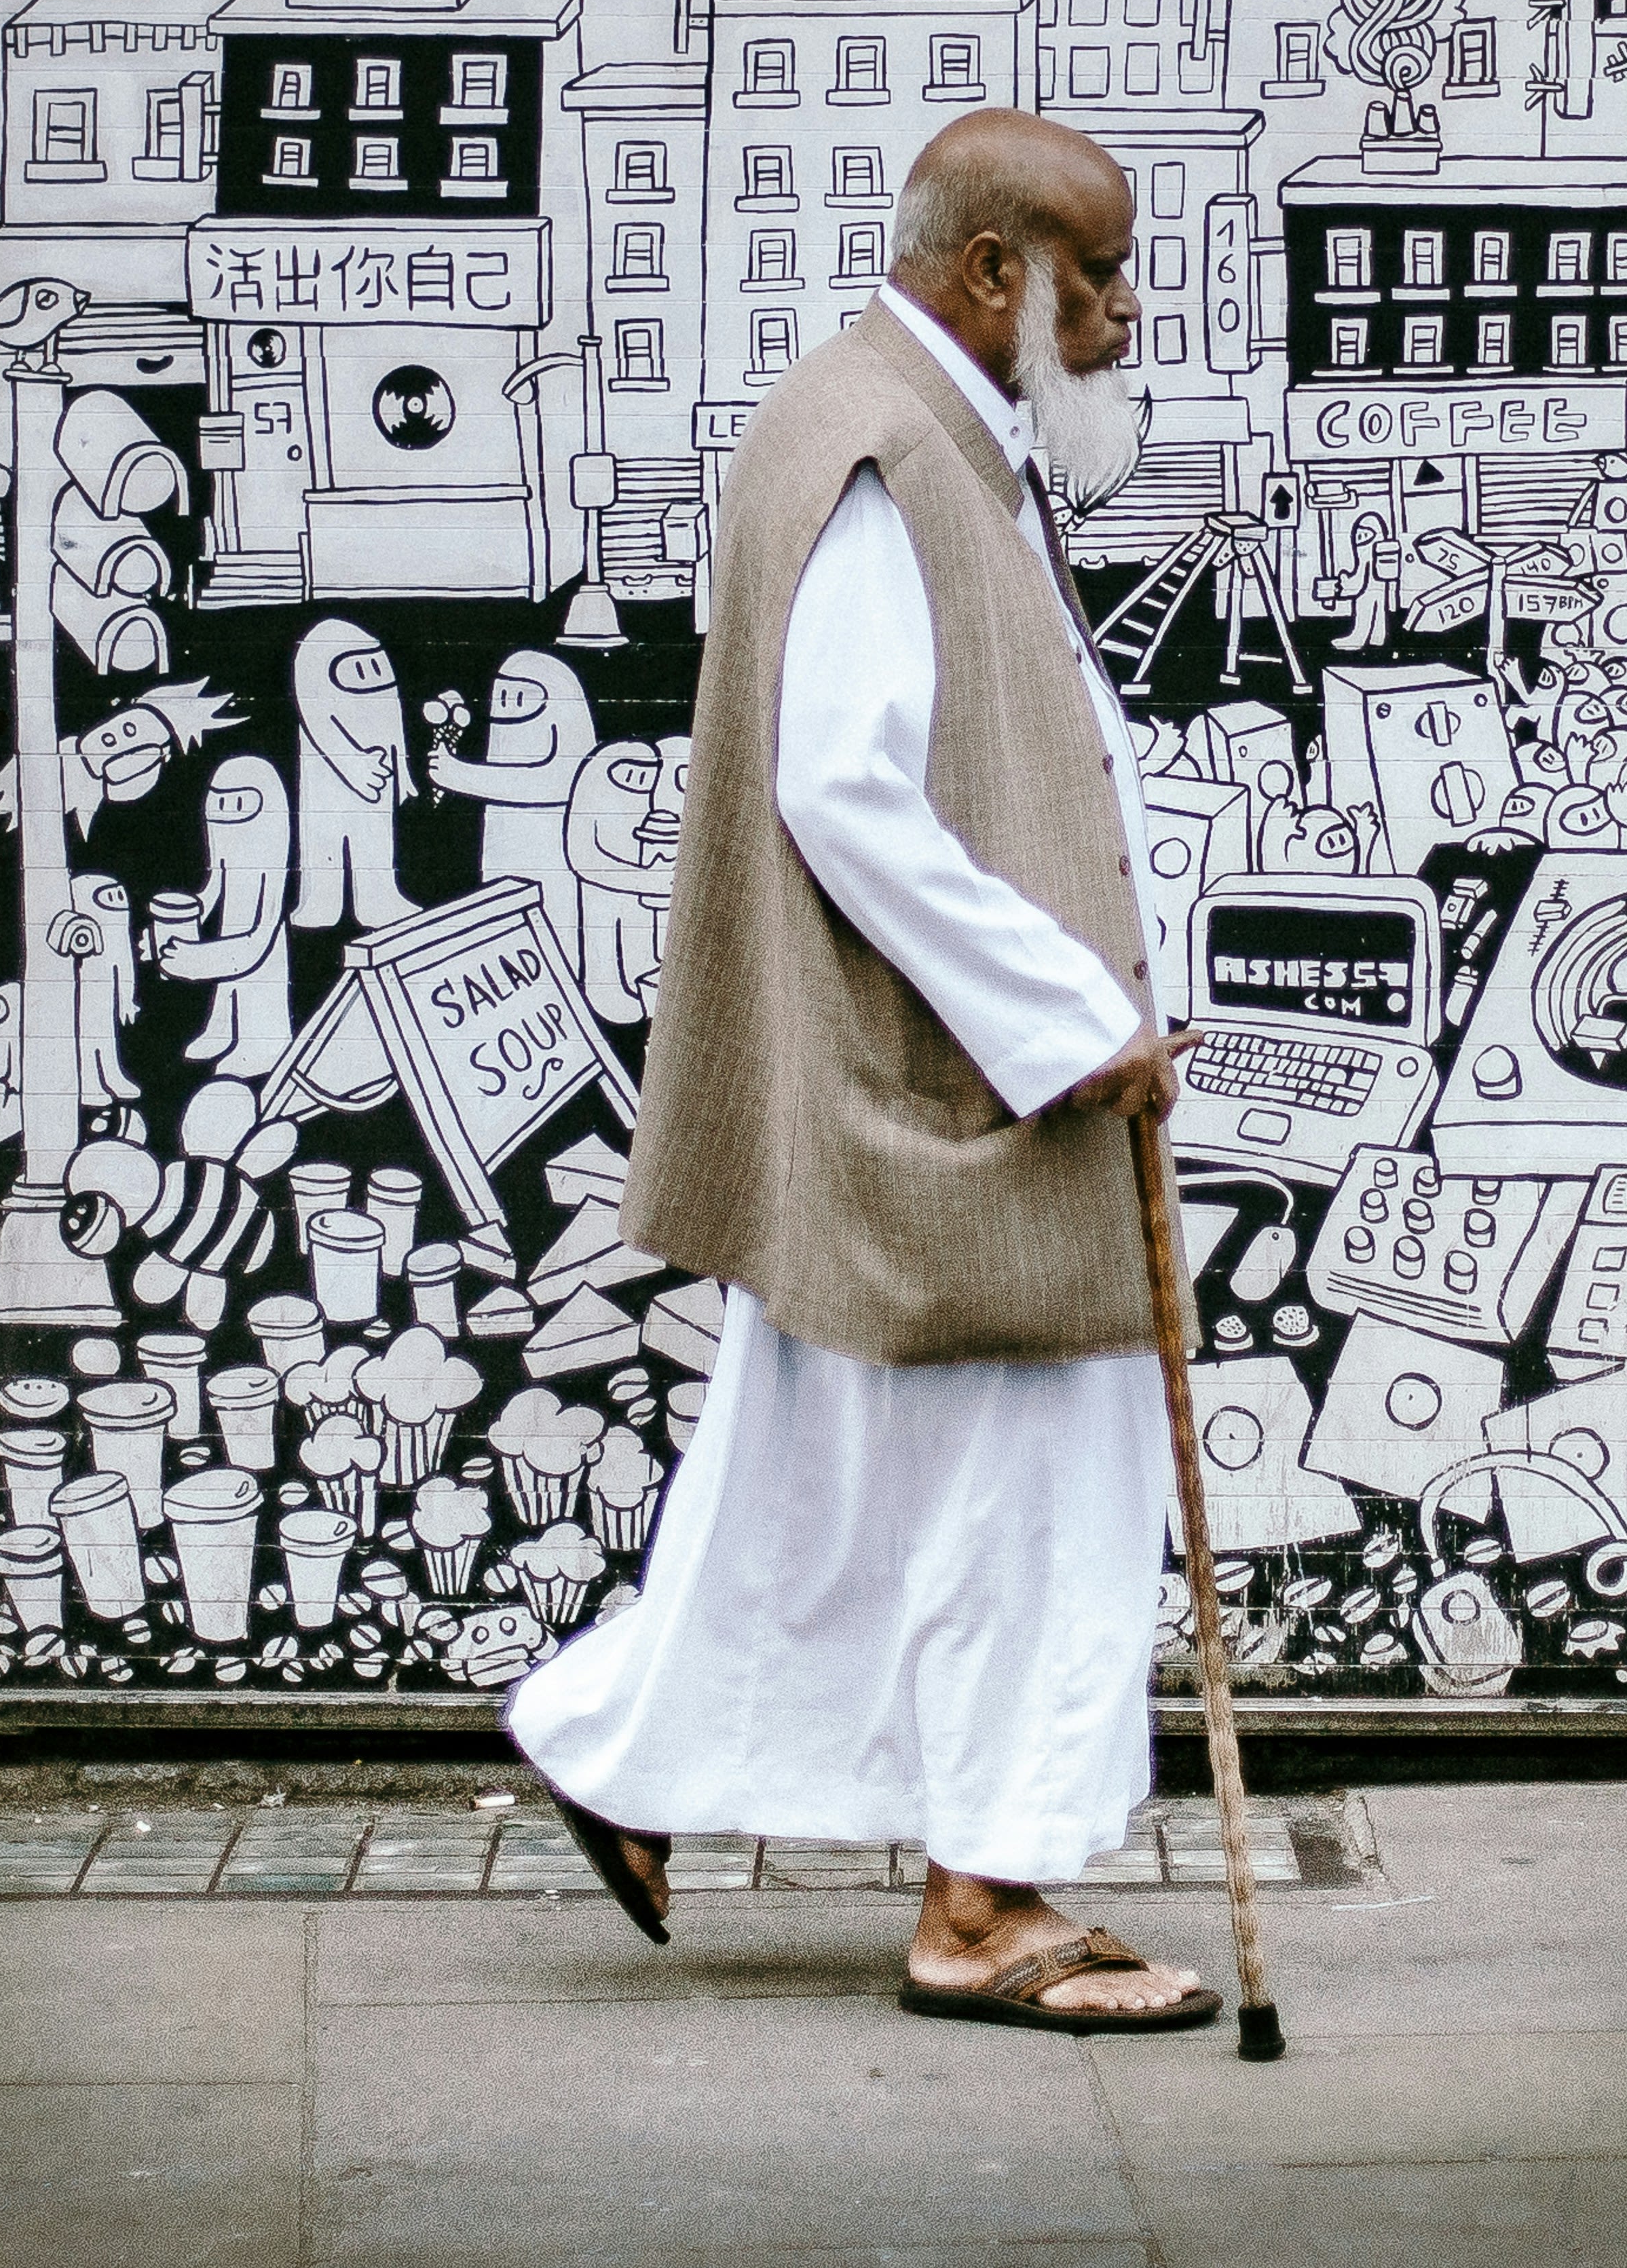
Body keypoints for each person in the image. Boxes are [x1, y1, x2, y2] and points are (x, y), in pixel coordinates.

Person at [509, 110, 1218, 2033]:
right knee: (1037, 1490)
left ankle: (620, 1748)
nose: (1126, 314)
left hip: (916, 1094)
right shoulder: (890, 449)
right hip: (963, 1106)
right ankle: (980, 1911)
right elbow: (842, 786)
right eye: (1101, 276)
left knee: (809, 1460)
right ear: (995, 271)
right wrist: (1069, 1027)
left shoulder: (895, 426)